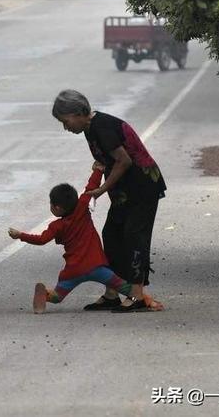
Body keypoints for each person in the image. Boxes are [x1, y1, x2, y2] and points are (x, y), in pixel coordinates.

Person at [51, 89, 166, 312]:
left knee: (134, 236)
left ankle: (137, 296)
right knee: (111, 235)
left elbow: (124, 161)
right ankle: (112, 293)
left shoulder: (102, 127)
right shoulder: (89, 128)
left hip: (142, 188)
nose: (66, 127)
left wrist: (102, 188)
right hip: (125, 192)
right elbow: (105, 161)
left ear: (79, 113)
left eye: (66, 121)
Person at [7, 164, 163, 313]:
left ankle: (46, 294)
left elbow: (41, 239)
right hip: (97, 268)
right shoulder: (82, 207)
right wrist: (99, 170)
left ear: (57, 208)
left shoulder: (56, 226)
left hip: (73, 270)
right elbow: (91, 187)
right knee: (129, 289)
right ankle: (148, 301)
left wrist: (20, 235)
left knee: (58, 297)